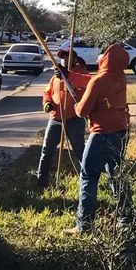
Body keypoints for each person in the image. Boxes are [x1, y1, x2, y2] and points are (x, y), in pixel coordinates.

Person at [64, 43, 133, 234]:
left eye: (104, 54)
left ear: (107, 59)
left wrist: (77, 104)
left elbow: (82, 111)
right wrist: (69, 75)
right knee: (116, 174)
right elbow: (93, 80)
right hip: (120, 132)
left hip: (101, 134)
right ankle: (126, 219)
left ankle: (84, 225)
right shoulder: (120, 77)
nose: (100, 57)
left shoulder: (98, 82)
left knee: (88, 176)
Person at [36, 49, 90, 190]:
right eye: (63, 57)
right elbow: (47, 92)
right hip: (56, 118)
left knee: (80, 151)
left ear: (75, 59)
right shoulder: (56, 75)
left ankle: (86, 183)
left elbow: (87, 87)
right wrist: (47, 103)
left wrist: (69, 77)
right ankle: (41, 183)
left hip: (74, 119)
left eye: (68, 57)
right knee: (46, 150)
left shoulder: (81, 73)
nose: (65, 59)